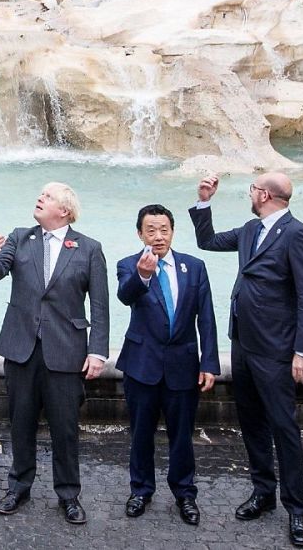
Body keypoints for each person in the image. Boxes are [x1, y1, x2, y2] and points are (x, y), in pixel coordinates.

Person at [189, 173, 303, 548]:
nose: (250, 195)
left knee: (284, 427)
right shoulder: (250, 229)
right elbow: (208, 242)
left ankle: (296, 509)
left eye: (252, 190)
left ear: (264, 195)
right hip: (244, 343)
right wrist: (204, 202)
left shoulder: (297, 234)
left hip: (277, 349)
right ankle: (263, 491)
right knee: (251, 423)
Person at [0, 182, 109, 526]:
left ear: (64, 211)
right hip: (21, 348)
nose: (40, 197)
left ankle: (68, 494)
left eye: (48, 196)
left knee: (65, 429)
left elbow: (100, 305)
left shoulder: (89, 248)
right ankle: (18, 487)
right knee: (20, 423)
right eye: (40, 193)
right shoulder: (20, 237)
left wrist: (97, 351)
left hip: (66, 351)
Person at [115, 203, 219, 527]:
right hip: (142, 364)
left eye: (164, 230)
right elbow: (125, 296)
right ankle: (141, 490)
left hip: (183, 365)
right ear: (140, 234)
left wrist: (209, 362)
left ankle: (185, 493)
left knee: (182, 436)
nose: (158, 236)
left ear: (172, 232)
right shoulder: (128, 265)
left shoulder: (194, 267)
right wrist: (144, 274)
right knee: (140, 434)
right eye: (151, 230)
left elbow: (206, 318)